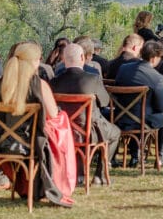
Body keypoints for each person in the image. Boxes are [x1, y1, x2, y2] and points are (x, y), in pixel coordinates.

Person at [0, 41, 75, 207]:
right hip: (31, 145)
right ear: (35, 61)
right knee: (61, 122)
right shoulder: (40, 85)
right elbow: (53, 115)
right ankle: (58, 180)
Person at [49, 43, 121, 183]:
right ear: (82, 57)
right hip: (90, 132)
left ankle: (79, 174)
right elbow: (105, 102)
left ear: (63, 59)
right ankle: (100, 176)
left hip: (63, 132)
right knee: (115, 132)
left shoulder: (54, 82)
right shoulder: (92, 79)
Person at [115, 40, 163, 167]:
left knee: (138, 112)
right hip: (141, 121)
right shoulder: (157, 77)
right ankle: (161, 158)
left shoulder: (123, 69)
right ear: (154, 58)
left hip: (119, 118)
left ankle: (135, 156)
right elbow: (161, 107)